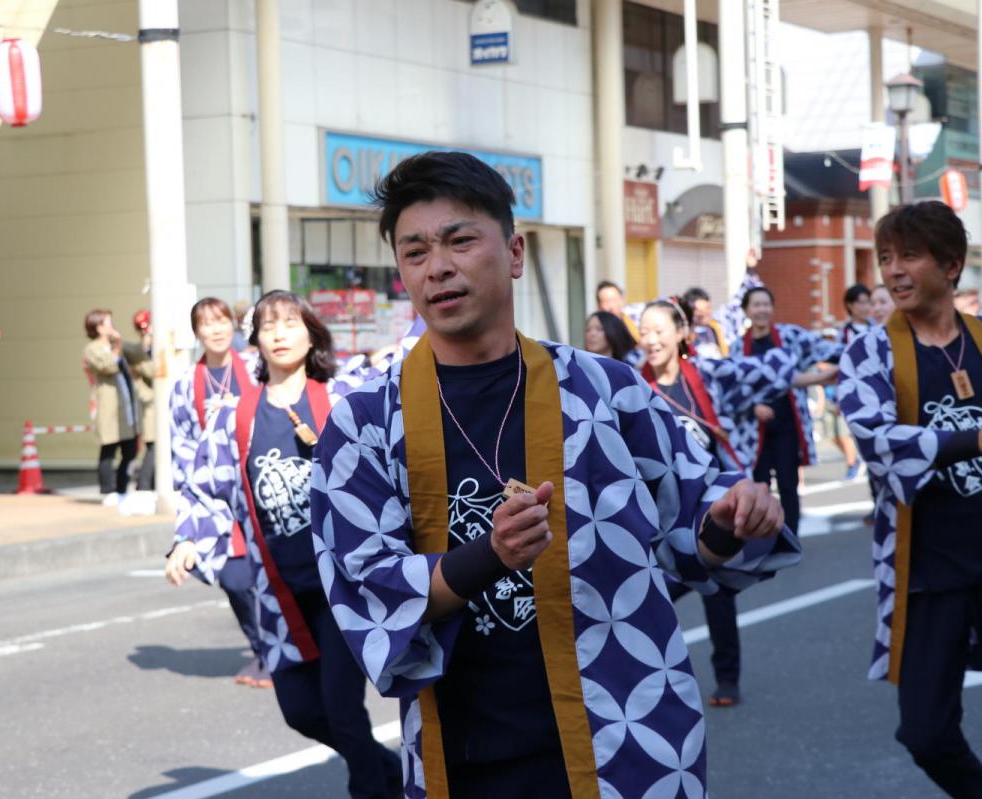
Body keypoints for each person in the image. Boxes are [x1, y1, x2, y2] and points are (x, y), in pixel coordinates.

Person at [312, 151, 800, 798]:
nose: (439, 266)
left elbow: (686, 531)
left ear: (514, 252)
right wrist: (489, 555)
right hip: (462, 751)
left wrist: (729, 521)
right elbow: (368, 584)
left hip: (627, 733)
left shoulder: (606, 390)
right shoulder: (364, 422)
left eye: (460, 240)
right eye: (416, 251)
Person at [838, 201, 982, 798]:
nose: (893, 270)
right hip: (929, 572)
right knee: (925, 733)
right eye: (886, 258)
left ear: (951, 265)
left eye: (909, 256)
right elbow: (874, 440)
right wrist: (973, 439)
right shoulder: (870, 351)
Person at [170, 290, 403, 799]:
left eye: (291, 323)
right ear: (254, 340)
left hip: (342, 585)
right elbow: (204, 487)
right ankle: (389, 770)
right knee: (301, 711)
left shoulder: (343, 397)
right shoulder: (234, 416)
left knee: (342, 708)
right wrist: (188, 538)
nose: (279, 334)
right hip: (278, 589)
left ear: (312, 334)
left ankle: (373, 789)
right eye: (268, 326)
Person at [638, 298, 795, 706]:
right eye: (643, 332)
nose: (650, 340)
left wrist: (811, 375)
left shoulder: (706, 374)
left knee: (718, 594)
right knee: (648, 596)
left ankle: (727, 679)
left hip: (711, 501)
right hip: (660, 514)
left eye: (659, 331)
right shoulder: (632, 387)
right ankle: (648, 684)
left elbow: (763, 378)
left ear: (681, 334)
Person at [167, 297, 268, 687]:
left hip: (261, 486)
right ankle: (265, 650)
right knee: (235, 578)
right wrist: (187, 521)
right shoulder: (183, 386)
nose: (216, 329)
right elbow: (181, 448)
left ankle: (279, 655)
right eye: (207, 324)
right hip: (216, 496)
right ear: (197, 332)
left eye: (222, 320)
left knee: (277, 574)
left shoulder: (257, 369)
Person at [738, 286, 842, 534]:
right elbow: (731, 389)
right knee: (760, 484)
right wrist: (753, 406)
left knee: (788, 482)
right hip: (754, 428)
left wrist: (853, 358)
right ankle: (763, 536)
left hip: (787, 421)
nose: (762, 310)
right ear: (746, 310)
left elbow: (827, 350)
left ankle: (790, 535)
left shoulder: (790, 336)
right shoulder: (736, 347)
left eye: (766, 304)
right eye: (756, 305)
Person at [82, 309, 145, 506]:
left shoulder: (116, 344)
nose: (112, 326)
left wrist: (146, 336)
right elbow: (108, 366)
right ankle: (108, 491)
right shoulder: (92, 348)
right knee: (108, 449)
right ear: (99, 327)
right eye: (108, 323)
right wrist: (117, 348)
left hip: (126, 406)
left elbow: (138, 354)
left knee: (130, 451)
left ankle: (122, 489)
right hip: (109, 407)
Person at [127, 309, 157, 515]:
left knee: (157, 448)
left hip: (156, 405)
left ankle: (149, 487)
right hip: (151, 405)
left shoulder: (149, 348)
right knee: (153, 446)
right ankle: (143, 488)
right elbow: (152, 371)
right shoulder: (137, 352)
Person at [683, 286, 730, 358]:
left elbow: (724, 352)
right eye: (699, 311)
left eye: (708, 308)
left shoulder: (715, 327)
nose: (704, 313)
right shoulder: (685, 331)